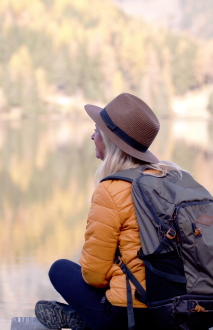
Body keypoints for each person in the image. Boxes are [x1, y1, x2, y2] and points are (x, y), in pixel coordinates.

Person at [35, 93, 184, 330]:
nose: (92, 136)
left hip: (133, 317)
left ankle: (81, 317)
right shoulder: (172, 180)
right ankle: (82, 315)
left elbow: (93, 275)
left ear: (109, 140)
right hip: (185, 309)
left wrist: (116, 273)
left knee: (60, 270)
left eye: (96, 130)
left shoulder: (111, 190)